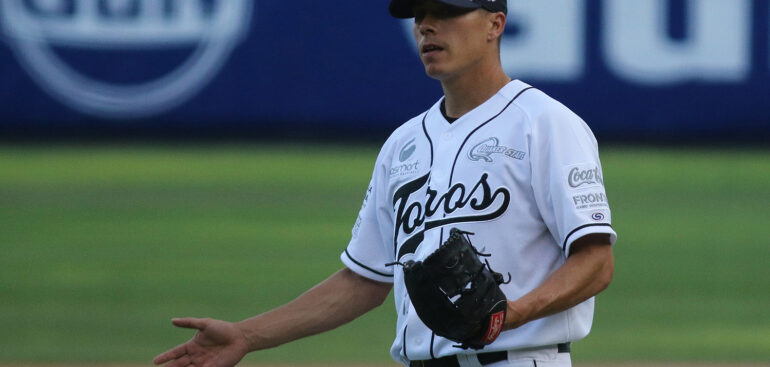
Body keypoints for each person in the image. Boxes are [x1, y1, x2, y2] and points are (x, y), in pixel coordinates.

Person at [153, 0, 616, 366]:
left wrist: (513, 314)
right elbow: (364, 279)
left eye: (447, 11)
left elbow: (596, 261)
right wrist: (247, 335)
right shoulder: (403, 143)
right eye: (420, 15)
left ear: (495, 24)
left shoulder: (546, 124)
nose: (428, 26)